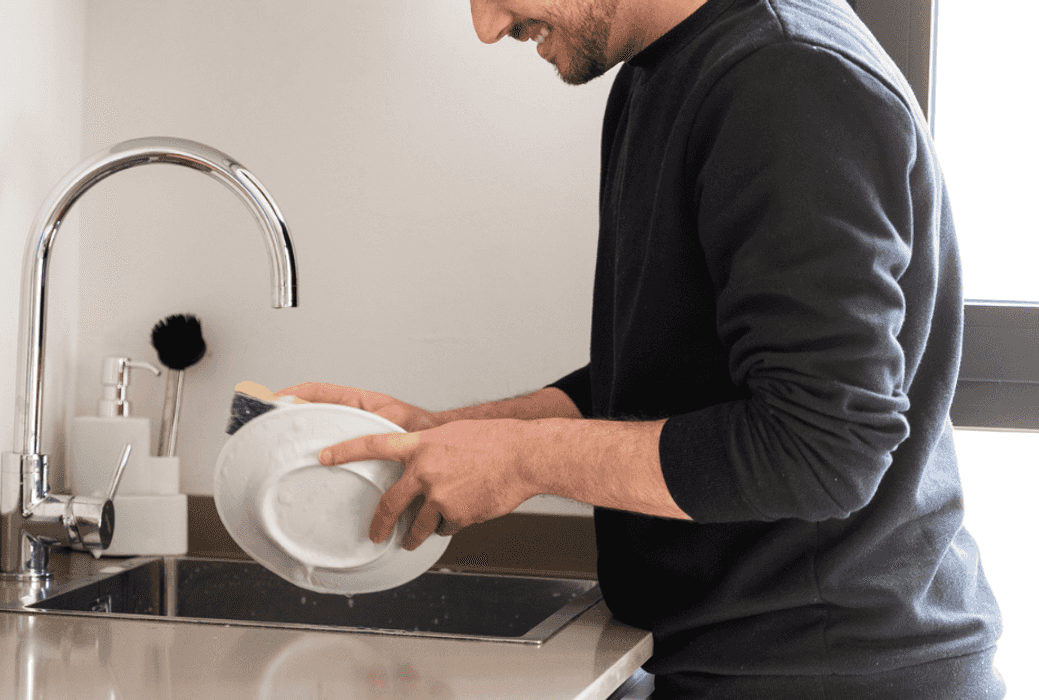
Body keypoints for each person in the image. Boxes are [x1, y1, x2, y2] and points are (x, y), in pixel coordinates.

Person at [278, 0, 1005, 696]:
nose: (485, 24)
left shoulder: (786, 77)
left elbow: (821, 450)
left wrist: (521, 460)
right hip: (747, 658)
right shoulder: (663, 69)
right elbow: (676, 372)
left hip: (829, 673)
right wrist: (452, 436)